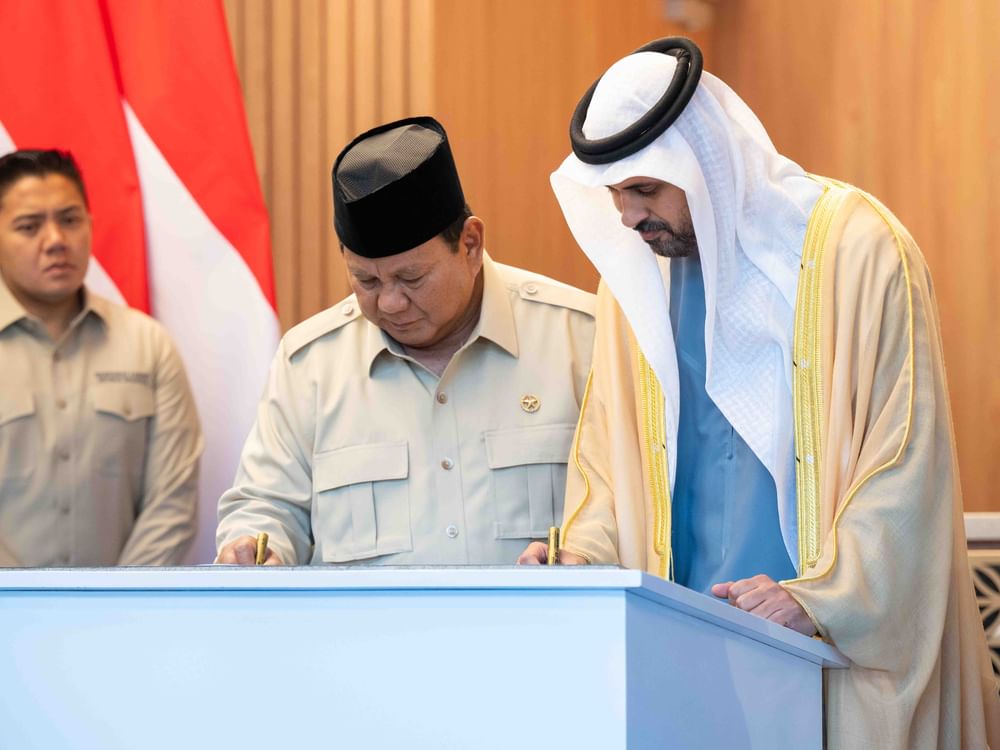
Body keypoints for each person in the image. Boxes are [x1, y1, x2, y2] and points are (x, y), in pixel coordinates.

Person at [517, 38, 999, 748]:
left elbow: (906, 461)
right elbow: (607, 464)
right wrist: (582, 556)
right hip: (681, 648)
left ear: (705, 161)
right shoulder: (636, 281)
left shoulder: (858, 251)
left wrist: (823, 599)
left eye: (644, 190)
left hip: (823, 648)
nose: (627, 218)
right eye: (615, 195)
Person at [216, 116, 595, 566]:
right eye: (366, 281)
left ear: (470, 245)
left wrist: (588, 554)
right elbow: (266, 505)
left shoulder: (579, 338)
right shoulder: (310, 365)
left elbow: (627, 502)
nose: (390, 302)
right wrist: (256, 548)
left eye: (411, 278)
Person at [0, 149, 203, 566]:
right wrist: (17, 597)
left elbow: (172, 502)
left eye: (70, 220)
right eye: (29, 226)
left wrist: (115, 598)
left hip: (126, 604)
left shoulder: (148, 345)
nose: (56, 240)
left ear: (91, 226)